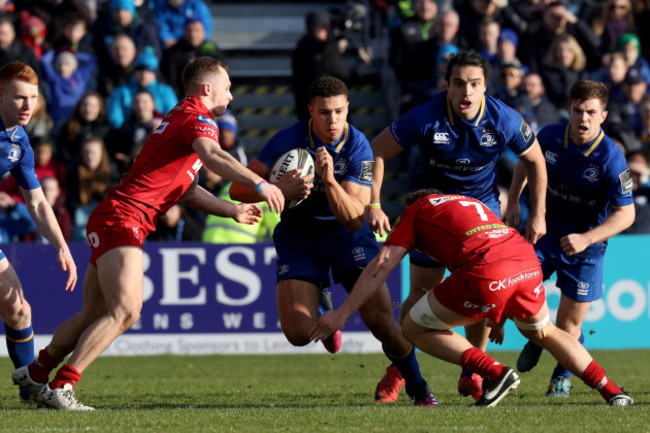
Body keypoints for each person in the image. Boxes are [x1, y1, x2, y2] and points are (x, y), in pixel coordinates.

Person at [13, 57, 285, 410]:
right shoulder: (198, 119)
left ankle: (36, 372)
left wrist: (232, 210)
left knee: (93, 314)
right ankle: (63, 385)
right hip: (125, 218)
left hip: (116, 215)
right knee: (126, 311)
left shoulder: (182, 119)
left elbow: (186, 191)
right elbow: (213, 154)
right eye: (228, 88)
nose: (231, 96)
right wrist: (260, 184)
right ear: (207, 89)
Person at [310, 189, 634, 407]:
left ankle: (493, 371)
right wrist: (499, 313)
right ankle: (612, 392)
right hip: (525, 261)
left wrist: (341, 313)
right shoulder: (469, 203)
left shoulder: (416, 212)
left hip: (487, 272)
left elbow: (381, 264)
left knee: (411, 326)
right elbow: (494, 252)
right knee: (546, 332)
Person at [230, 76, 436, 407]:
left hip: (347, 238)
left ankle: (418, 386)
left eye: (339, 111)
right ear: (311, 110)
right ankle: (322, 300)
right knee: (298, 334)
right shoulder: (287, 140)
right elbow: (236, 189)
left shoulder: (358, 146)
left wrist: (328, 181)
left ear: (348, 108)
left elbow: (355, 219)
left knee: (382, 323)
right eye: (324, 112)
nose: (333, 120)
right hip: (299, 237)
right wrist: (280, 189)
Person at [367, 50, 547, 402]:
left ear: (485, 87)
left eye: (474, 84)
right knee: (420, 293)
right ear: (447, 85)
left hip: (482, 214)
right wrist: (373, 203)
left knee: (482, 295)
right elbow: (376, 150)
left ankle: (474, 373)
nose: (466, 92)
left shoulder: (504, 118)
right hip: (433, 215)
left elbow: (536, 159)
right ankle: (401, 369)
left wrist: (535, 212)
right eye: (459, 83)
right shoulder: (426, 116)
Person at [506, 80, 635, 397]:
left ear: (603, 115)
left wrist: (587, 238)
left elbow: (626, 214)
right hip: (545, 236)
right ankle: (539, 338)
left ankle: (560, 375)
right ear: (569, 110)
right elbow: (527, 161)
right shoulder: (550, 136)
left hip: (586, 250)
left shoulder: (611, 158)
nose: (583, 118)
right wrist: (512, 201)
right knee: (515, 294)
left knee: (569, 327)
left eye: (591, 112)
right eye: (578, 110)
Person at [0, 61, 77, 403]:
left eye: (33, 97)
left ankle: (30, 391)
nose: (28, 105)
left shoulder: (19, 141)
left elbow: (37, 202)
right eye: (19, 97)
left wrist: (60, 244)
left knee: (19, 311)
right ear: (0, 96)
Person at [291, 10, 372, 120]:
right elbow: (348, 79)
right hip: (329, 121)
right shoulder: (328, 52)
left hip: (307, 117)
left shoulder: (302, 46)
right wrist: (363, 62)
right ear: (324, 28)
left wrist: (334, 49)